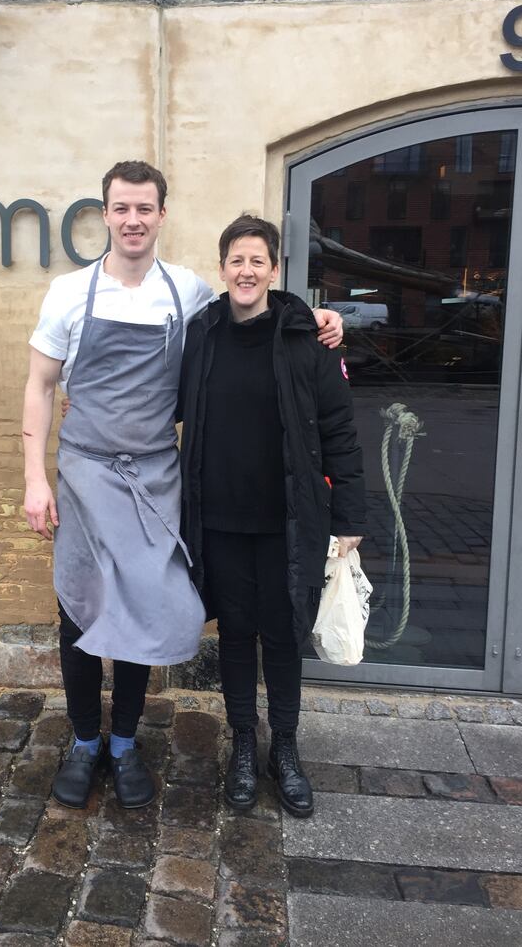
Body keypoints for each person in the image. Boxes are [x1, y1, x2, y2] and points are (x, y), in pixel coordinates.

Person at [22, 163, 343, 811]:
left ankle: (123, 744)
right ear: (105, 214)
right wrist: (34, 479)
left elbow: (253, 314)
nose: (133, 220)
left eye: (145, 208)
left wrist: (317, 320)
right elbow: (39, 387)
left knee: (141, 606)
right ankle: (85, 742)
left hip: (155, 473)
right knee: (80, 611)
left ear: (162, 215)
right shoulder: (67, 292)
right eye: (121, 208)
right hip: (84, 472)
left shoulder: (188, 293)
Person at [178, 214, 366, 819]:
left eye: (258, 260)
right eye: (236, 260)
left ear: (274, 270)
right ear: (223, 268)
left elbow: (339, 430)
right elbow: (172, 406)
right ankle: (240, 744)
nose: (246, 270)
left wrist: (350, 517)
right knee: (234, 634)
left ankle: (284, 749)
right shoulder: (203, 332)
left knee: (283, 634)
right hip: (221, 518)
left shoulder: (305, 337)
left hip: (289, 519)